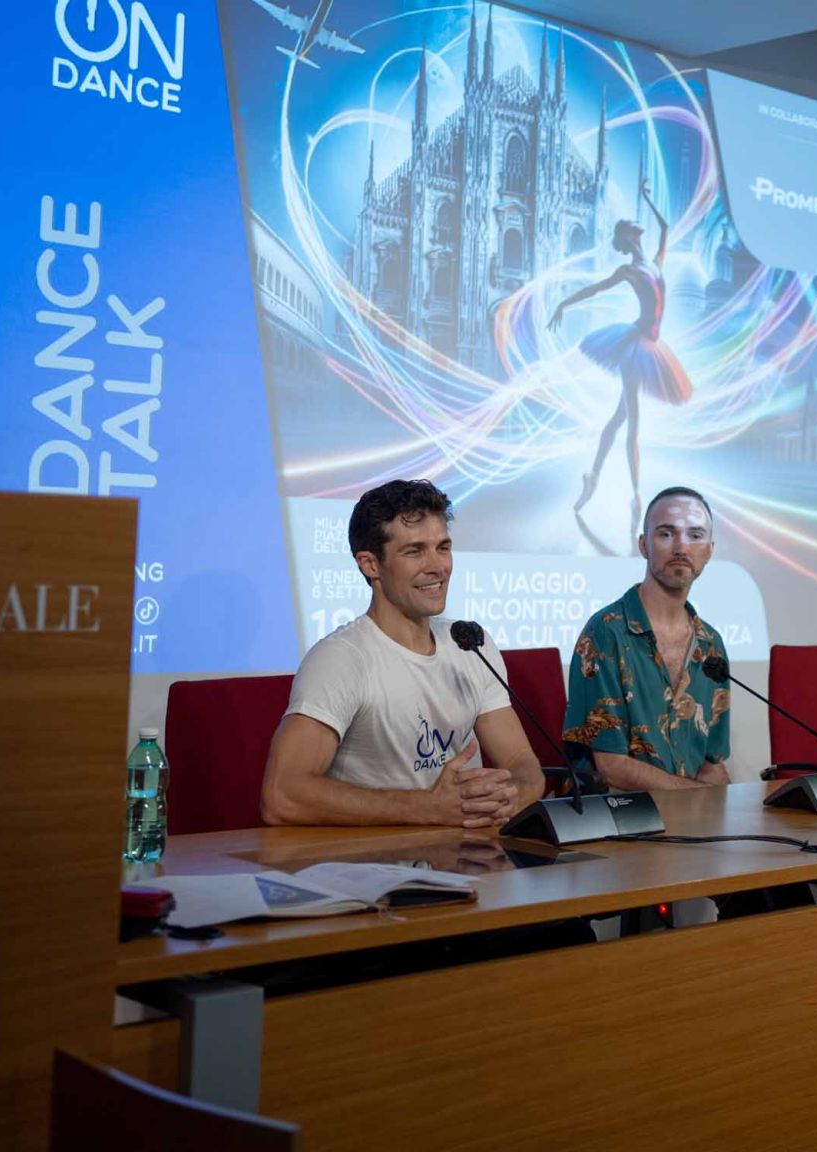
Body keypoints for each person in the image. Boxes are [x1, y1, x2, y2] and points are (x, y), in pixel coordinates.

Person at [260, 479, 544, 827]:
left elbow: (523, 765)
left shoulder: (470, 643)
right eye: (414, 551)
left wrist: (511, 796)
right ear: (370, 565)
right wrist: (428, 807)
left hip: (470, 852)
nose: (437, 566)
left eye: (442, 547)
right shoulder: (340, 659)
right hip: (380, 857)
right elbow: (282, 795)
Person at [563, 486, 731, 789]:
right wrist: (698, 799)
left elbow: (711, 764)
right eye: (666, 534)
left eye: (695, 535)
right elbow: (611, 767)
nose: (681, 547)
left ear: (709, 550)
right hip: (622, 812)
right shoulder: (606, 633)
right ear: (643, 545)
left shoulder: (711, 645)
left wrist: (735, 810)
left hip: (692, 814)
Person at [548, 181, 692, 531]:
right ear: (628, 239)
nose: (637, 232)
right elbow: (596, 288)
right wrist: (565, 303)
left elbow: (665, 228)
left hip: (650, 347)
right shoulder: (629, 271)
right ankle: (637, 496)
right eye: (631, 230)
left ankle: (593, 478)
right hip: (634, 348)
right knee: (632, 425)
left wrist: (647, 197)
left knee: (617, 421)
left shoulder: (656, 262)